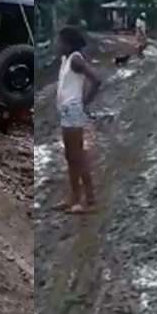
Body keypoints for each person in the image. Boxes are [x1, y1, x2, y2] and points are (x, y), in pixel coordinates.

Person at [55, 26, 102, 214]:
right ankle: (75, 197)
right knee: (71, 156)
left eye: (59, 41)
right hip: (68, 111)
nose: (57, 45)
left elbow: (96, 80)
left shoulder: (75, 59)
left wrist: (83, 103)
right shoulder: (67, 59)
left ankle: (87, 198)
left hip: (73, 111)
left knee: (77, 156)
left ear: (68, 43)